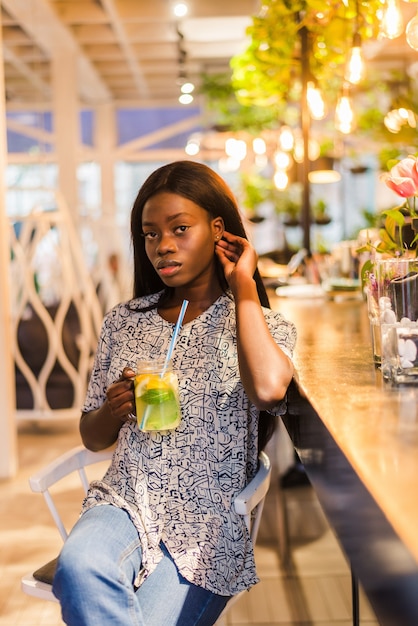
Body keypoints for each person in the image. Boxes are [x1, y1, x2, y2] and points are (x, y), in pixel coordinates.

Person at [52, 160, 296, 626]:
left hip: (209, 524)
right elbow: (91, 434)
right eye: (149, 234)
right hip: (124, 501)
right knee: (79, 569)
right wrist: (113, 410)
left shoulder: (256, 326)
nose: (162, 246)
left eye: (179, 229)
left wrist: (243, 284)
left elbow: (267, 390)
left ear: (218, 230)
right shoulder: (125, 320)